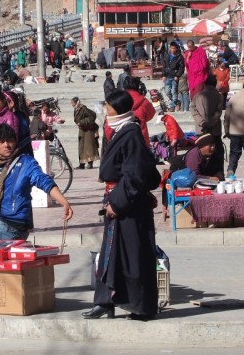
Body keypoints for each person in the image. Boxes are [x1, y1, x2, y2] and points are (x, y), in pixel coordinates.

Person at [84, 90, 161, 321]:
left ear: (117, 109)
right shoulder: (121, 131)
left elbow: (134, 175)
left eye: (108, 107)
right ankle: (105, 302)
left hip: (128, 205)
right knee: (109, 254)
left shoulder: (131, 134)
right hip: (116, 199)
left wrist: (117, 203)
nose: (105, 111)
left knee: (133, 257)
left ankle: (140, 306)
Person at [0, 124, 73, 240]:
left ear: (15, 142)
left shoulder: (26, 162)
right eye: (1, 142)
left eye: (10, 141)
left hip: (15, 226)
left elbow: (45, 181)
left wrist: (64, 203)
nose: (6, 145)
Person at [191, 74, 225, 176]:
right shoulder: (219, 96)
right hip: (214, 131)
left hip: (201, 131)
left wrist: (202, 122)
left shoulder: (197, 96)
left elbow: (193, 110)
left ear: (205, 84)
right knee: (216, 156)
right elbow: (218, 113)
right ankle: (217, 176)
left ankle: (201, 175)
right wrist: (210, 123)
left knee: (201, 155)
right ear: (215, 84)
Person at [71, 97, 100, 169]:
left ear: (76, 102)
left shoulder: (83, 108)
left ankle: (90, 163)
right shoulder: (76, 109)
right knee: (81, 147)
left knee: (89, 147)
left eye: (73, 103)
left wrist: (82, 122)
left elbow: (91, 117)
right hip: (82, 130)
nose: (72, 105)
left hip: (88, 130)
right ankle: (82, 164)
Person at [5, 90, 33, 156]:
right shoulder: (20, 115)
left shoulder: (17, 117)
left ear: (11, 103)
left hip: (21, 154)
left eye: (3, 103)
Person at [162, 42, 185, 112]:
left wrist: (177, 75)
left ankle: (172, 107)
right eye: (172, 48)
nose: (173, 50)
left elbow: (181, 68)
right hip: (167, 76)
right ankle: (176, 102)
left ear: (176, 48)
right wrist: (163, 75)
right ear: (170, 48)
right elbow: (164, 66)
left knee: (173, 91)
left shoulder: (179, 56)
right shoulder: (167, 55)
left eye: (174, 48)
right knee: (167, 91)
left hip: (174, 77)